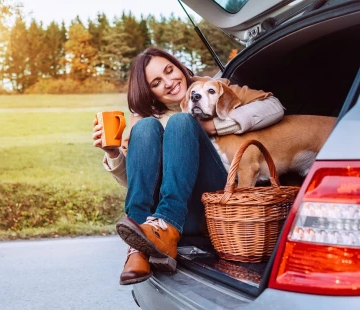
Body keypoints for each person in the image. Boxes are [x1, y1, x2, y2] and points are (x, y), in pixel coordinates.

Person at [91, 47, 284, 285]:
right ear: (149, 92)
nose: (170, 82)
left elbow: (274, 106)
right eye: (156, 82)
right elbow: (137, 182)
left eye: (170, 70)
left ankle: (166, 228)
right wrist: (113, 153)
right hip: (172, 216)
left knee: (182, 122)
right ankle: (138, 246)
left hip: (211, 205)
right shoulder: (144, 120)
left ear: (178, 65)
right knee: (145, 129)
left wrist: (214, 127)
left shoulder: (213, 87)